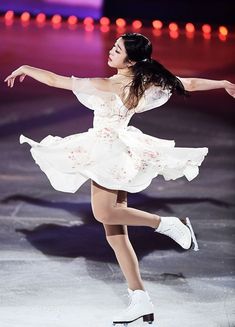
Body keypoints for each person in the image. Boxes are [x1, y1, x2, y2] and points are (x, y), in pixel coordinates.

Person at [4, 32, 235, 326]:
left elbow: (56, 80)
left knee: (103, 212)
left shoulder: (110, 85)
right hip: (115, 150)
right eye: (113, 47)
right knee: (115, 234)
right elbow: (187, 83)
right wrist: (223, 83)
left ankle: (167, 224)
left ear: (132, 59)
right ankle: (140, 299)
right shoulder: (143, 79)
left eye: (117, 49)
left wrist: (26, 68)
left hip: (108, 152)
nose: (110, 52)